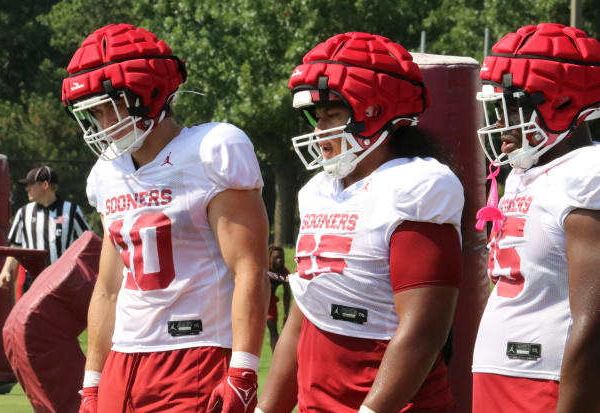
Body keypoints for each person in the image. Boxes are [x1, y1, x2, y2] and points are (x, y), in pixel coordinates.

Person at [61, 24, 269, 413]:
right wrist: (92, 382)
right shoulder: (107, 173)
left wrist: (242, 369)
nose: (103, 123)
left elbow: (249, 270)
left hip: (195, 354)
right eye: (94, 111)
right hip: (123, 359)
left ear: (148, 93)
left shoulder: (211, 150)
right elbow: (108, 288)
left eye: (110, 105)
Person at [257, 32, 464, 413]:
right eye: (317, 117)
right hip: (317, 398)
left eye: (333, 115)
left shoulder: (416, 185)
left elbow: (424, 329)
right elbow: (305, 314)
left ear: (377, 110)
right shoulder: (319, 190)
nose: (319, 130)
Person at [472, 23, 600, 413]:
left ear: (563, 102)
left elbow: (594, 321)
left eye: (514, 106)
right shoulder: (525, 173)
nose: (500, 124)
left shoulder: (587, 171)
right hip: (497, 376)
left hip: (548, 384)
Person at [0, 165, 91, 295]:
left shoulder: (71, 210)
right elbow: (16, 246)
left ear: (45, 185)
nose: (27, 188)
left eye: (31, 184)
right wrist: (6, 270)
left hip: (63, 281)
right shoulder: (23, 213)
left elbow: (89, 242)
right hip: (32, 283)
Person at [266, 245, 291, 351]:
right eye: (276, 257)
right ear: (270, 258)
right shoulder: (263, 268)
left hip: (270, 303)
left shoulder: (284, 273)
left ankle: (276, 356)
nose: (279, 260)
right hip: (256, 302)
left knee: (273, 329)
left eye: (281, 257)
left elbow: (287, 294)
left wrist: (286, 314)